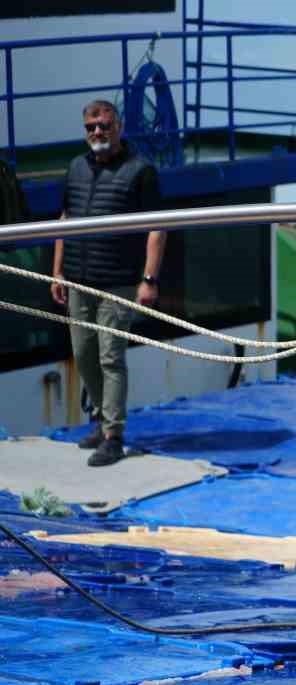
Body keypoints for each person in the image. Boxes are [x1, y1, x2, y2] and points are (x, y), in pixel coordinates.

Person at [50, 99, 164, 468]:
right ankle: (100, 421)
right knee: (84, 356)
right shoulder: (76, 168)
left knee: (110, 358)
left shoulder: (140, 171)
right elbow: (64, 219)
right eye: (91, 127)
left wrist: (148, 280)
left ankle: (114, 435)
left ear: (119, 128)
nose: (97, 132)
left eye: (104, 125)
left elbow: (156, 227)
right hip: (79, 279)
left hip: (118, 282)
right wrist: (57, 270)